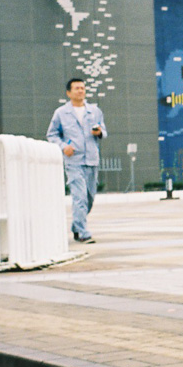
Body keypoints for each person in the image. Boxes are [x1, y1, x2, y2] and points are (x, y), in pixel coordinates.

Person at [46, 78, 107, 244]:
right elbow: (51, 134)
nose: (81, 91)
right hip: (73, 160)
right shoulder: (61, 113)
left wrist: (99, 132)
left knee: (89, 197)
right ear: (69, 93)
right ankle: (83, 232)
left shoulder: (94, 111)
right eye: (77, 88)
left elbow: (104, 131)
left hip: (92, 159)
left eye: (82, 88)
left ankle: (76, 226)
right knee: (79, 197)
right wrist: (63, 146)